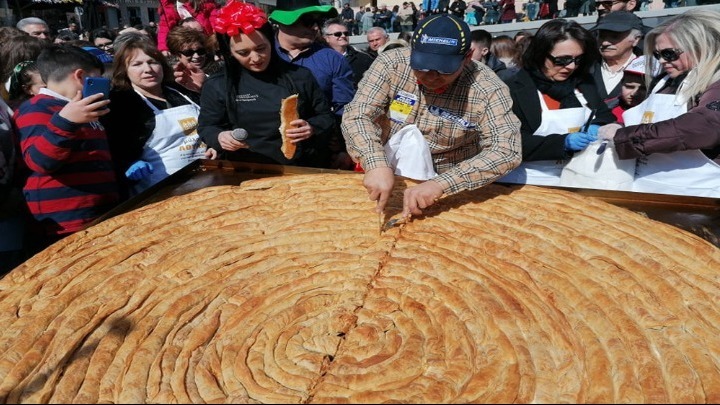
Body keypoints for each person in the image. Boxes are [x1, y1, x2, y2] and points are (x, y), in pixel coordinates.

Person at [341, 14, 522, 219]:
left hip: (448, 182)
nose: (431, 76)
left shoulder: (488, 88)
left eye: (444, 70)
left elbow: (506, 150)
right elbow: (358, 114)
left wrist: (442, 183)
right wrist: (375, 163)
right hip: (386, 169)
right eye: (422, 67)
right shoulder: (391, 64)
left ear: (467, 57)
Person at [198, 0, 335, 168]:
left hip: (299, 167)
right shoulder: (218, 85)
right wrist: (219, 137)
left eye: (261, 48)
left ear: (271, 42)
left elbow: (326, 117)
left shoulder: (300, 76)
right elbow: (207, 126)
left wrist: (312, 127)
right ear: (230, 53)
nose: (255, 58)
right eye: (243, 53)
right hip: (246, 168)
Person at [598, 9, 720, 197]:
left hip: (695, 197)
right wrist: (619, 126)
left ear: (701, 48)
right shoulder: (664, 81)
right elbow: (648, 117)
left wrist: (624, 136)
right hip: (645, 190)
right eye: (657, 55)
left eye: (670, 54)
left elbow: (703, 128)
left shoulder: (715, 83)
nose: (662, 61)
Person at [13, 44, 119, 252]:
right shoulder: (37, 108)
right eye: (96, 79)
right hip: (64, 223)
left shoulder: (83, 109)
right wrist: (66, 121)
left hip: (96, 213)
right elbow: (39, 160)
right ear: (81, 77)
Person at [500, 19, 616, 186]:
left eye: (578, 59)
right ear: (540, 55)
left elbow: (604, 116)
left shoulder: (584, 84)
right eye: (562, 60)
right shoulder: (514, 89)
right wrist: (563, 143)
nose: (571, 67)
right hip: (528, 179)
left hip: (578, 176)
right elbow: (509, 142)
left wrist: (600, 127)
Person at [101, 33, 215, 198]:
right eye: (137, 64)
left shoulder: (182, 91)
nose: (147, 69)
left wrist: (214, 144)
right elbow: (112, 150)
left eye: (152, 62)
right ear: (124, 70)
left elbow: (212, 123)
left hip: (206, 180)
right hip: (158, 190)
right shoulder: (121, 104)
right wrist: (127, 164)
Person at [269, 0, 355, 169]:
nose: (315, 28)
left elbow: (345, 109)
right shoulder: (262, 54)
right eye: (308, 21)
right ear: (284, 22)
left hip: (317, 155)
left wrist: (345, 149)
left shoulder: (332, 59)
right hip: (264, 156)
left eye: (319, 22)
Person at [589, 11, 645, 106]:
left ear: (636, 39)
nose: (605, 43)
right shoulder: (584, 67)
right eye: (602, 36)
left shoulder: (649, 69)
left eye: (614, 37)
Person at [322, 19, 374, 89]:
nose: (343, 36)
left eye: (346, 33)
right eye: (338, 34)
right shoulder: (320, 60)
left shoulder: (364, 58)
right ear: (326, 38)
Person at [607, 55, 647, 124]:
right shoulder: (605, 108)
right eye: (630, 87)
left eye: (643, 88)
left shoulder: (660, 113)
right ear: (621, 83)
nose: (634, 93)